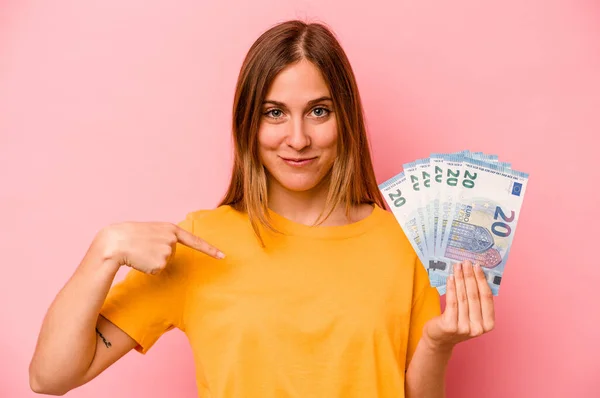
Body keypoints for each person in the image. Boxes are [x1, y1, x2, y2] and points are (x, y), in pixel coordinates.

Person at [29, 19, 495, 398]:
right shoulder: (200, 243)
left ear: (345, 118)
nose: (297, 138)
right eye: (274, 113)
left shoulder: (401, 241)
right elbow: (50, 379)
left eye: (318, 111)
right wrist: (104, 251)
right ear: (247, 124)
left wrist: (437, 344)